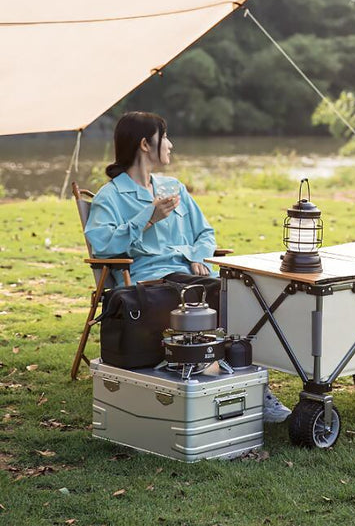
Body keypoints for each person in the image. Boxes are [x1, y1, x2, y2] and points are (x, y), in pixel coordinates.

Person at [85, 111, 290, 423]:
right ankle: (249, 390)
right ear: (144, 144)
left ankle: (247, 385)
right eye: (164, 137)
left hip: (190, 273)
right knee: (219, 295)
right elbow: (102, 247)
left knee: (242, 289)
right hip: (149, 281)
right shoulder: (110, 196)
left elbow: (205, 232)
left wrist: (198, 254)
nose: (170, 144)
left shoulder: (172, 187)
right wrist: (148, 217)